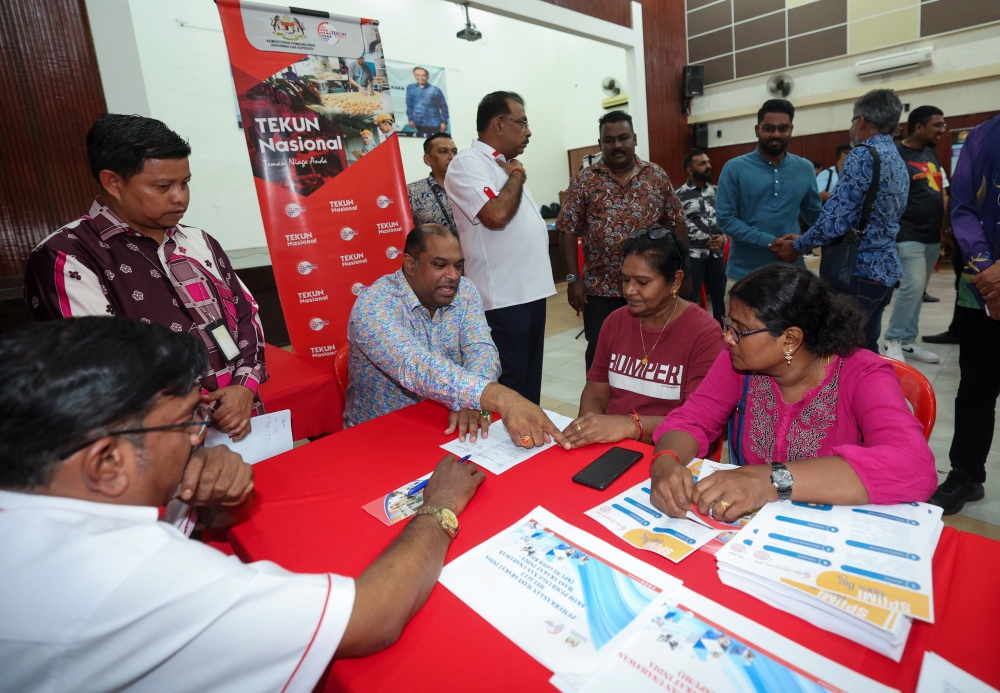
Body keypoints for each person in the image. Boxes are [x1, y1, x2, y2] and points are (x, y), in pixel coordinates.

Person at [0, 317, 486, 691]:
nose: (199, 437)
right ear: (107, 462)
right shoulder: (136, 576)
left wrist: (201, 491)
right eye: (185, 423)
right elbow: (370, 618)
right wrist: (438, 505)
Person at [24, 114, 266, 443]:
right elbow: (103, 369)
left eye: (185, 182)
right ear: (112, 182)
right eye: (163, 186)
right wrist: (202, 417)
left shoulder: (199, 241)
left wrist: (243, 387)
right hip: (158, 443)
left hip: (242, 421)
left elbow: (245, 314)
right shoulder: (67, 256)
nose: (180, 197)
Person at [646, 264, 937, 522]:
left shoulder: (863, 375)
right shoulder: (737, 361)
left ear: (790, 339)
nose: (727, 338)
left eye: (740, 330)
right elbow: (692, 419)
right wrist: (666, 461)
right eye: (728, 325)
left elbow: (913, 467)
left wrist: (768, 480)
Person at [346, 224, 568, 449]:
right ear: (410, 264)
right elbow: (415, 366)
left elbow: (481, 349)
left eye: (459, 266)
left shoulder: (465, 291)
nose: (453, 276)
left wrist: (470, 401)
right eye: (440, 265)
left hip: (449, 427)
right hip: (379, 437)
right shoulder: (373, 305)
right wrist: (499, 396)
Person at [771, 89, 909, 354]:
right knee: (866, 342)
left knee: (842, 346)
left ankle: (851, 395)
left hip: (856, 268)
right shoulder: (895, 155)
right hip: (885, 268)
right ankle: (871, 392)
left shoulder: (862, 154)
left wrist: (798, 244)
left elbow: (835, 221)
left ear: (861, 121)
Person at [563, 229, 724, 448]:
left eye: (642, 282)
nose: (629, 290)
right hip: (611, 446)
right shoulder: (615, 322)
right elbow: (595, 394)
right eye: (625, 279)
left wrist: (628, 426)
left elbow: (698, 420)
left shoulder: (704, 334)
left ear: (675, 281)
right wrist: (587, 436)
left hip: (670, 452)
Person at [445, 91, 556, 404]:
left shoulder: (504, 166)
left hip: (529, 293)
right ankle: (501, 451)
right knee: (509, 386)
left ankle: (527, 445)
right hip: (503, 299)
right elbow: (496, 216)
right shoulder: (468, 162)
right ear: (497, 124)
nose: (528, 131)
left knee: (529, 383)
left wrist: (514, 172)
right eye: (521, 122)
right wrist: (518, 176)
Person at [557, 110, 685, 371]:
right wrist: (572, 280)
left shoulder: (656, 176)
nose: (616, 145)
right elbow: (567, 230)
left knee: (653, 352)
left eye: (623, 138)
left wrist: (684, 271)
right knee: (602, 355)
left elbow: (676, 223)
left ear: (634, 139)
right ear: (601, 143)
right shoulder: (585, 180)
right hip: (601, 289)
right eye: (609, 140)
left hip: (652, 287)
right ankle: (600, 409)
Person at [928, 114, 1000, 515]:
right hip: (983, 284)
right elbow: (964, 208)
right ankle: (967, 474)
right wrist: (988, 267)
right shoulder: (982, 137)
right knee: (976, 387)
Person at [715, 99, 822, 283]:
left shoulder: (805, 168)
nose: (776, 134)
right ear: (757, 130)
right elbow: (726, 219)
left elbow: (815, 216)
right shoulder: (734, 168)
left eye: (783, 128)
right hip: (745, 275)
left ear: (791, 129)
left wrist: (802, 243)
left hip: (791, 273)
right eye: (769, 128)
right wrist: (773, 242)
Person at [882, 106, 949, 363]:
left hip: (932, 233)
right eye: (937, 125)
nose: (942, 130)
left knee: (919, 288)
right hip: (907, 232)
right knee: (912, 286)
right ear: (919, 127)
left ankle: (908, 341)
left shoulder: (931, 152)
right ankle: (893, 339)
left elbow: (938, 190)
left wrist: (945, 228)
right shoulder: (897, 154)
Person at [677, 149, 725, 321]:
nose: (708, 166)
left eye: (708, 162)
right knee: (691, 301)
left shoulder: (718, 192)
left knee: (721, 300)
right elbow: (676, 228)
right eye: (702, 163)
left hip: (716, 254)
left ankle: (722, 338)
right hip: (693, 257)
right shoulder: (679, 196)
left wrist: (723, 238)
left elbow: (726, 220)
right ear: (690, 170)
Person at [407, 133, 458, 233]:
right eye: (443, 151)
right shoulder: (411, 192)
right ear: (427, 160)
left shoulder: (469, 187)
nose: (452, 157)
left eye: (454, 152)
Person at [406, 66, 449, 137]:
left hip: (435, 124)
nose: (421, 78)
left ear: (427, 77)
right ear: (414, 76)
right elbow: (409, 105)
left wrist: (444, 122)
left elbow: (444, 107)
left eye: (423, 75)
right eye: (418, 75)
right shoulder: (410, 88)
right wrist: (410, 119)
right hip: (419, 123)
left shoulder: (436, 90)